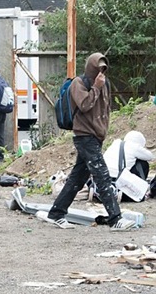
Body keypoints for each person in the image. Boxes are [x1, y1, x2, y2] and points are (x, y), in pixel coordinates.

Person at [43, 52, 136, 231]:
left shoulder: (105, 83)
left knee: (77, 179)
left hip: (96, 136)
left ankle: (56, 213)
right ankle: (116, 218)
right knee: (102, 175)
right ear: (91, 68)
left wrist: (103, 130)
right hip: (84, 136)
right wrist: (96, 87)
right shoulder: (79, 83)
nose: (101, 72)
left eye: (104, 69)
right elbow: (85, 105)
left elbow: (106, 109)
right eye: (98, 68)